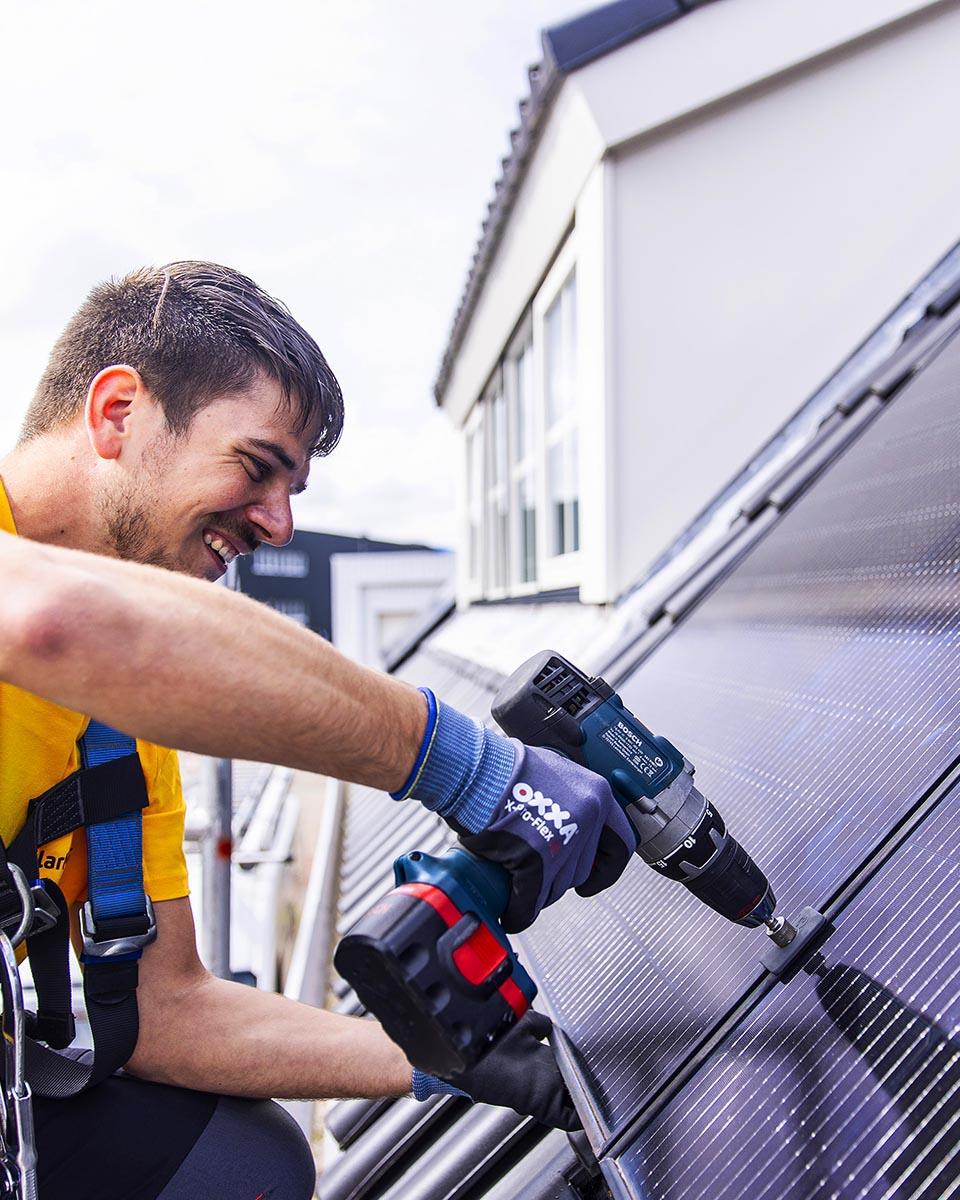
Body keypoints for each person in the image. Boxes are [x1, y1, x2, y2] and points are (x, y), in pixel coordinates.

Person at [0, 262, 637, 1200]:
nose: (279, 524)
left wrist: (441, 1058)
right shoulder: (58, 619)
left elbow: (163, 1010)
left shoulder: (120, 735)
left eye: (291, 488)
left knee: (245, 1162)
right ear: (117, 412)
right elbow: (61, 624)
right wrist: (470, 769)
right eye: (257, 466)